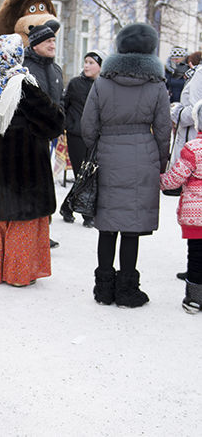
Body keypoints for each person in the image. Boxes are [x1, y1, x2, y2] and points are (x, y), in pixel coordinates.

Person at [81, 22, 171, 308]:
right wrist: (160, 158)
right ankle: (128, 290)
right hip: (143, 156)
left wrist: (97, 146)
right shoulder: (157, 85)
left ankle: (104, 289)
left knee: (107, 225)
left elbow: (88, 125)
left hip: (107, 154)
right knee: (132, 227)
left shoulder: (102, 82)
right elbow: (164, 128)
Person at [0, 34, 64, 287]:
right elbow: (53, 122)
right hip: (25, 164)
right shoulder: (23, 84)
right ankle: (18, 273)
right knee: (22, 219)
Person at [23, 22, 64, 248]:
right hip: (30, 136)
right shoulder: (25, 68)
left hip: (50, 135)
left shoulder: (55, 69)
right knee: (31, 186)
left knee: (45, 186)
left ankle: (42, 232)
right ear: (36, 45)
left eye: (54, 41)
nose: (52, 44)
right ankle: (28, 233)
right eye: (48, 41)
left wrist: (60, 120)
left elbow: (61, 99)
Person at [160, 99, 202, 313]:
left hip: (196, 215)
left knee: (196, 257)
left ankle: (194, 299)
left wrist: (159, 181)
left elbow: (176, 178)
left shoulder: (192, 148)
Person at [59, 50, 106, 228]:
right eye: (85, 62)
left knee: (91, 175)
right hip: (77, 136)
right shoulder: (75, 83)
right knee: (81, 173)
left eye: (91, 63)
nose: (86, 65)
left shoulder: (104, 86)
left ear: (100, 66)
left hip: (96, 137)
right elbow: (64, 104)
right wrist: (68, 125)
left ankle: (66, 206)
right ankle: (88, 214)